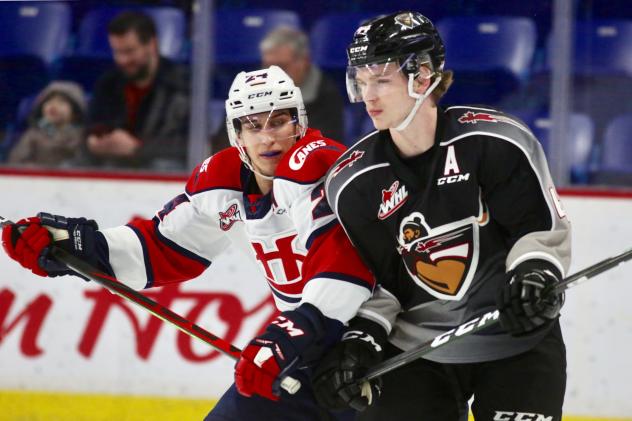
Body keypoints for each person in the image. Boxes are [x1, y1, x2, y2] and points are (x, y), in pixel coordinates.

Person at [1, 65, 373, 421]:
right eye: (253, 125)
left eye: (278, 122)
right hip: (299, 350)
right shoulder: (224, 183)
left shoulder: (324, 168)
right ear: (236, 134)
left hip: (373, 346)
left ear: (299, 122)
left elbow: (345, 265)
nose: (268, 137)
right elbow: (158, 250)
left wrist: (296, 332)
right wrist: (78, 247)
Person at [313, 11, 570, 421]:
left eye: (381, 79)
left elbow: (537, 230)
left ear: (423, 75)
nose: (368, 96)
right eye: (360, 81)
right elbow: (382, 282)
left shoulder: (495, 142)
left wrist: (534, 275)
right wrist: (360, 341)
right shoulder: (353, 182)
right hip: (414, 355)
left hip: (517, 340)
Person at [211, 26, 345, 151]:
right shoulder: (245, 91)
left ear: (304, 61)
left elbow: (325, 146)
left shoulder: (326, 93)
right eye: (267, 66)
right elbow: (225, 142)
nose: (272, 73)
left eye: (281, 66)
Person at [85, 11, 189, 171]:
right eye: (117, 52)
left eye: (129, 51)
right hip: (111, 166)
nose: (122, 60)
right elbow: (92, 126)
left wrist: (137, 149)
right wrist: (93, 142)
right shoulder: (108, 84)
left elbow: (190, 145)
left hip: (159, 170)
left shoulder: (181, 85)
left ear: (152, 44)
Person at [8, 81, 87, 167]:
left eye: (61, 102)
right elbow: (17, 162)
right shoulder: (33, 134)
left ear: (75, 112)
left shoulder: (83, 136)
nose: (53, 106)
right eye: (48, 101)